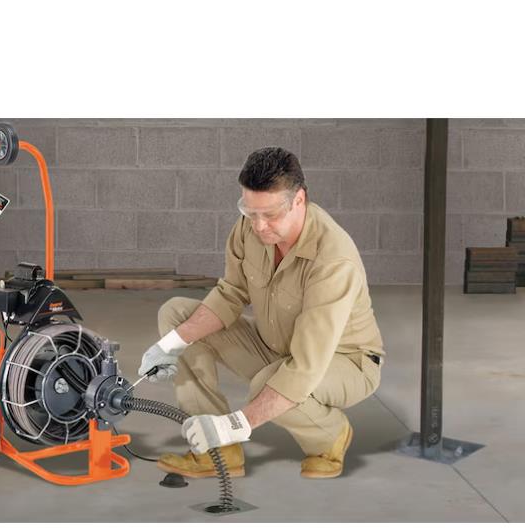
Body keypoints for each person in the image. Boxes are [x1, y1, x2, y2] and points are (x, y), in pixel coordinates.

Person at [138, 146, 385, 479]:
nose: (258, 226)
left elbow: (306, 366)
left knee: (268, 385)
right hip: (276, 345)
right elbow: (230, 294)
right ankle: (217, 452)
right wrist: (170, 345)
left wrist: (233, 425)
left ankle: (331, 435)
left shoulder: (333, 260)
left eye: (269, 215)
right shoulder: (250, 227)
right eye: (249, 211)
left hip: (344, 361)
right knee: (177, 315)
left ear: (299, 200)